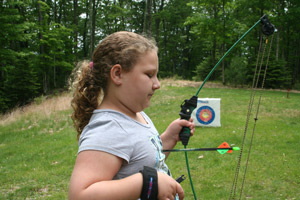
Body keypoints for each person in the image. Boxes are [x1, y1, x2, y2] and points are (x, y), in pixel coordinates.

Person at [68, 31, 195, 200]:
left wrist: (169, 138)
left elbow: (144, 158)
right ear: (118, 74)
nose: (157, 84)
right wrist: (147, 183)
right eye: (149, 75)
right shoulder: (109, 128)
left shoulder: (136, 114)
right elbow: (79, 195)